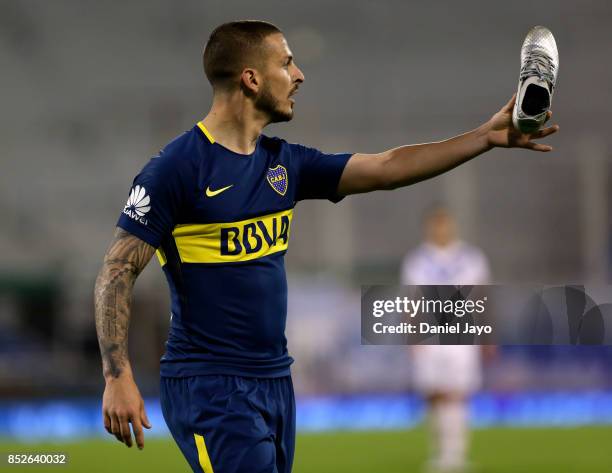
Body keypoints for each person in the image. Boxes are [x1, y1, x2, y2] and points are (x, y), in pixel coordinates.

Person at [93, 20, 558, 473]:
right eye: (287, 63)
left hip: (275, 380)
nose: (299, 76)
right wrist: (117, 376)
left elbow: (387, 168)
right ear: (251, 79)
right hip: (211, 387)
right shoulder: (177, 168)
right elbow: (117, 270)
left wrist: (485, 137)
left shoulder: (284, 164)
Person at [400, 207, 491, 472]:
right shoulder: (417, 260)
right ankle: (441, 453)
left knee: (458, 393)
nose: (441, 229)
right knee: (434, 393)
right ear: (428, 228)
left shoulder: (472, 258)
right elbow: (410, 301)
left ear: (452, 226)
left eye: (444, 224)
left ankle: (456, 455)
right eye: (435, 225)